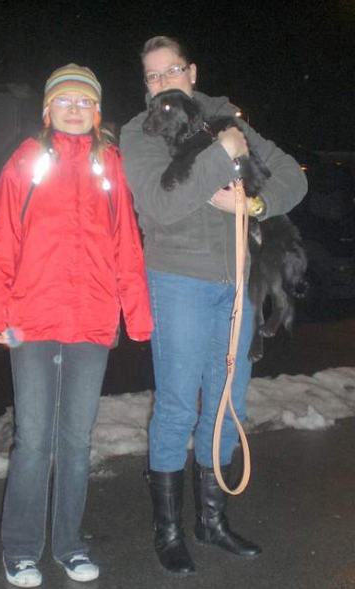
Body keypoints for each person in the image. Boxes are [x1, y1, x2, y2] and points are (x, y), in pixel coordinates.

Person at [120, 36, 308, 575]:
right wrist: (222, 155)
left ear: (192, 72)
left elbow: (292, 176)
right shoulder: (140, 132)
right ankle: (169, 530)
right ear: (146, 84)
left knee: (229, 405)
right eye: (153, 75)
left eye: (172, 70)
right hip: (178, 281)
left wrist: (255, 203)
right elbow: (160, 204)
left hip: (237, 283)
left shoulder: (228, 119)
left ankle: (212, 520)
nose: (164, 82)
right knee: (178, 407)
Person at [0, 63, 153, 587]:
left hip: (92, 319)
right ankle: (20, 549)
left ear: (96, 112)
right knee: (34, 439)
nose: (74, 110)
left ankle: (70, 545)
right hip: (30, 319)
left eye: (84, 102)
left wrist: (137, 311)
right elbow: (1, 237)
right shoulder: (26, 161)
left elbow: (127, 243)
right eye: (65, 101)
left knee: (77, 441)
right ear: (47, 110)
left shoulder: (110, 164)